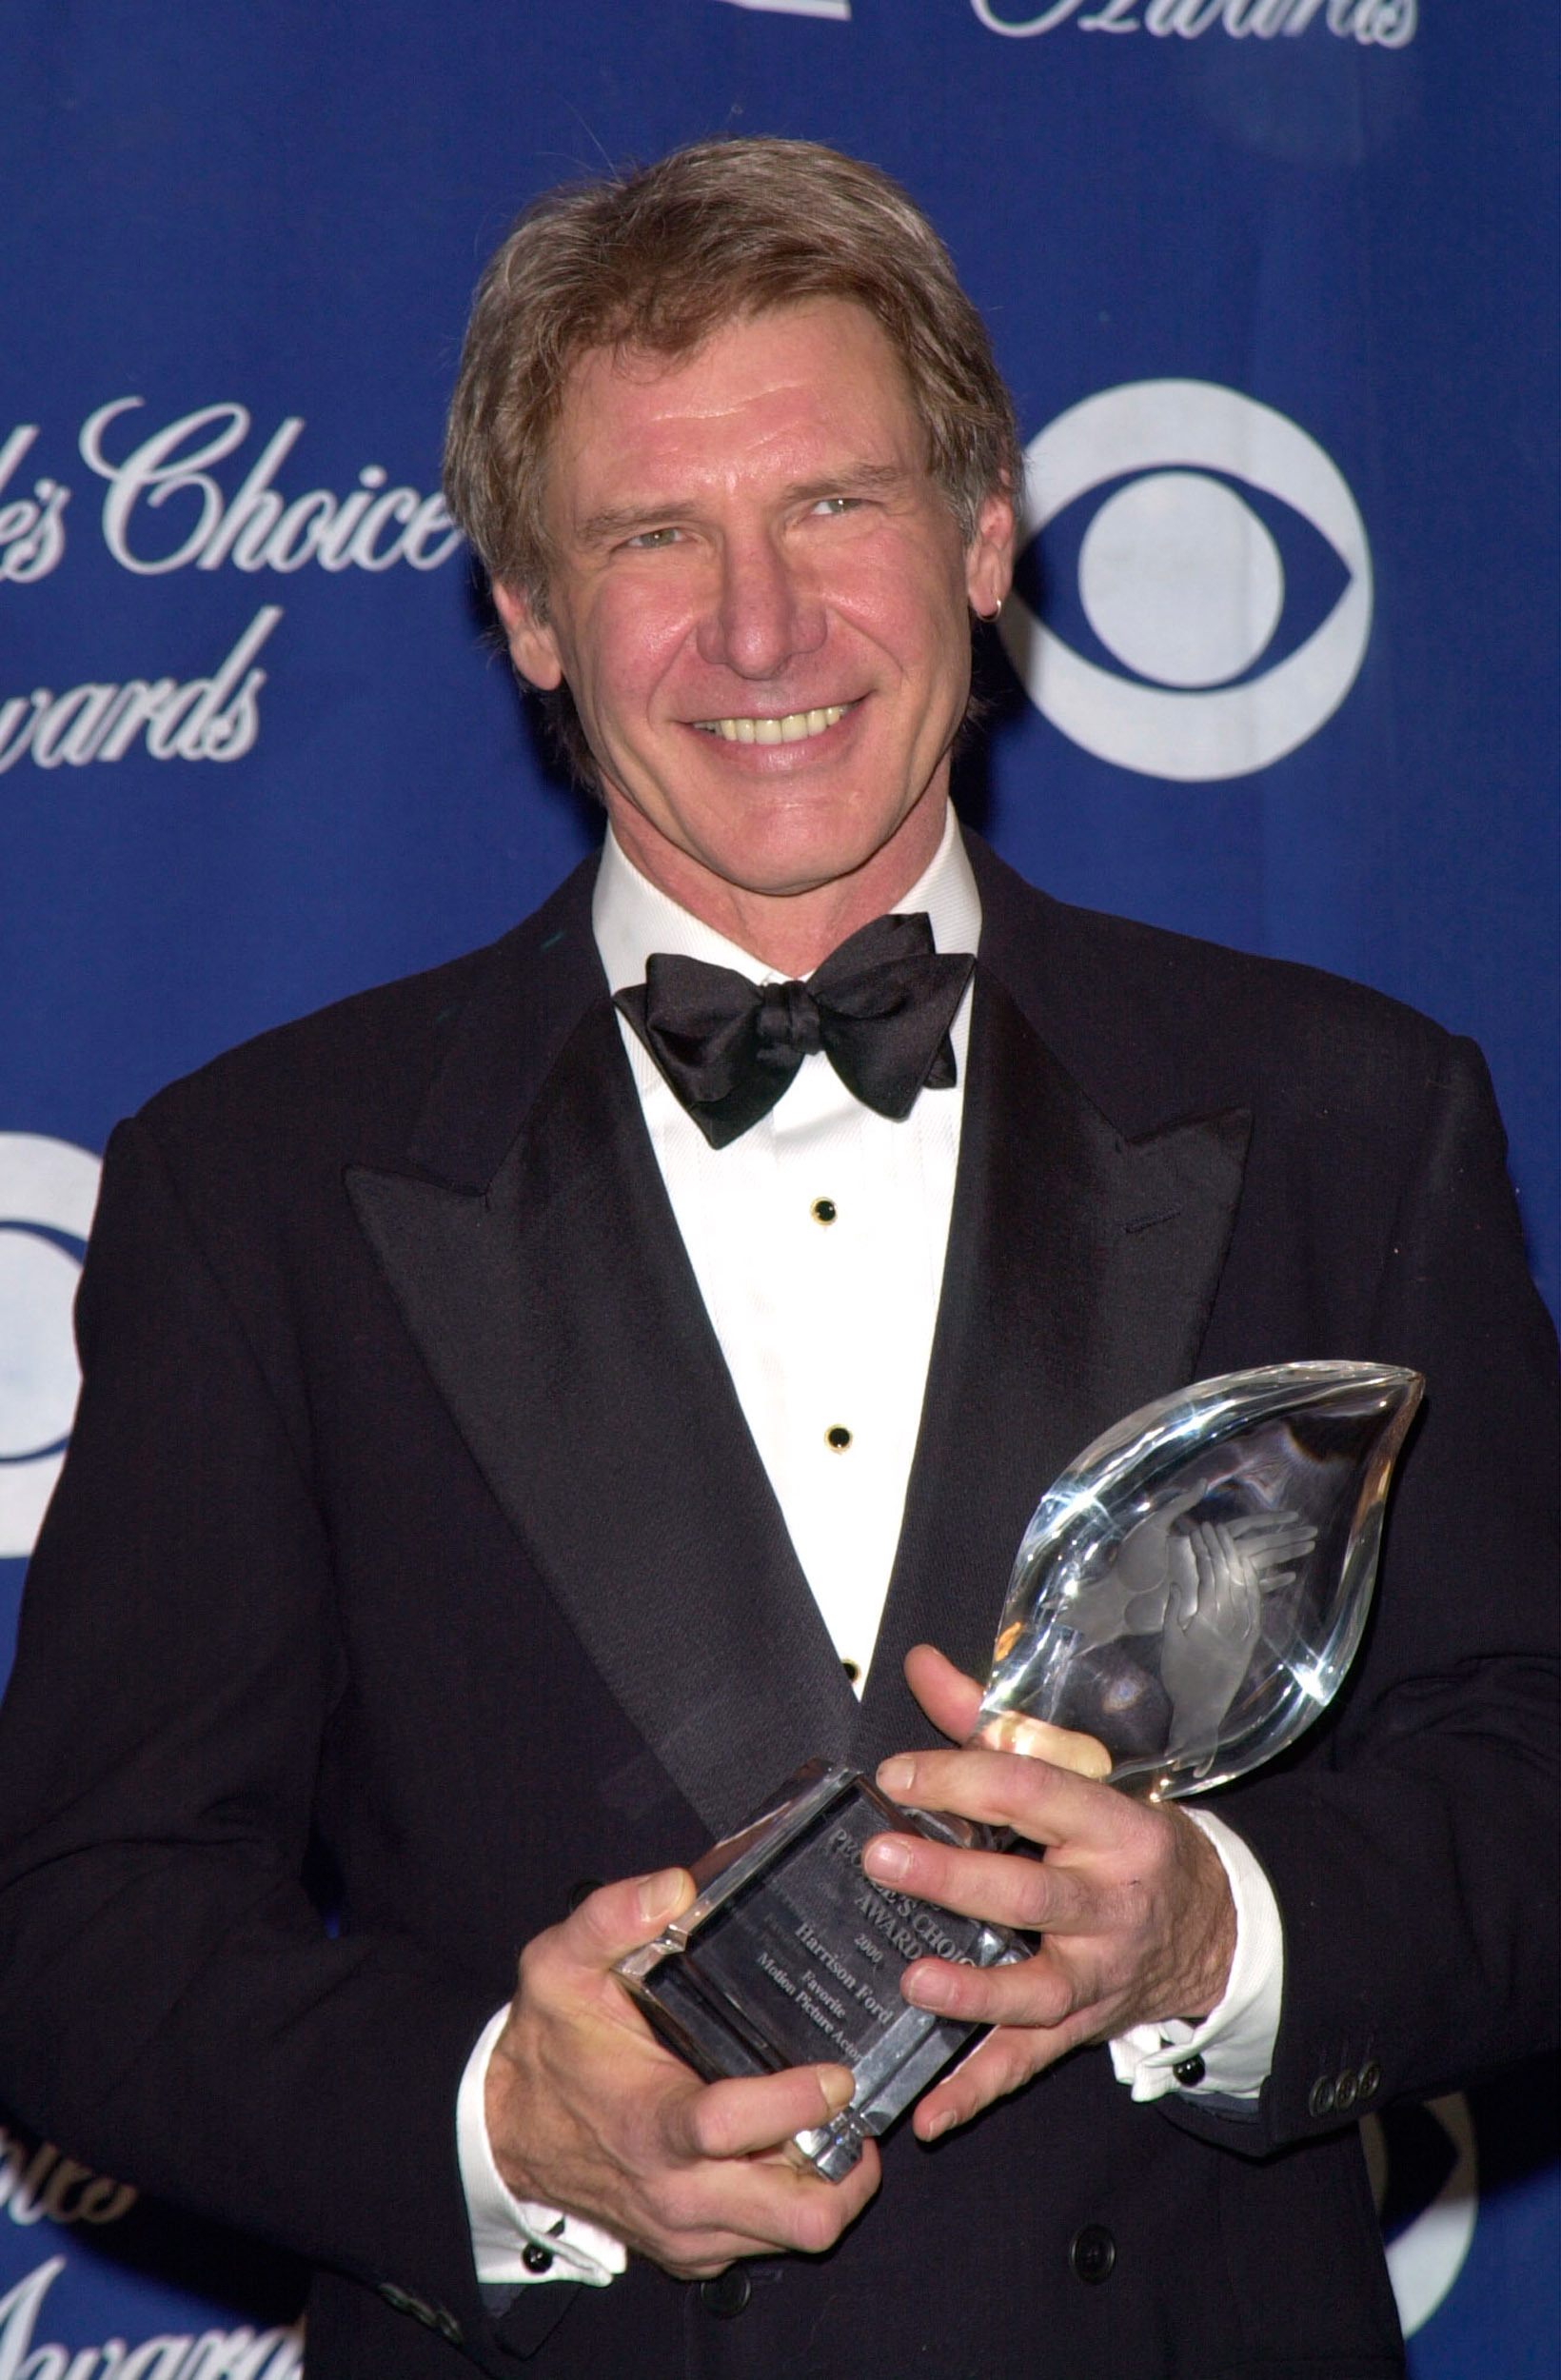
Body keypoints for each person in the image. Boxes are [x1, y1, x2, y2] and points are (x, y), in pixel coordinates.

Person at [0, 137, 1555, 2380]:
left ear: (986, 535)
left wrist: (1214, 1928)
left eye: (831, 503)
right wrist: (499, 2112)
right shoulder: (257, 1186)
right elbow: (85, 1925)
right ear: (528, 611)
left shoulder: (1347, 1108)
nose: (758, 627)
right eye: (652, 536)